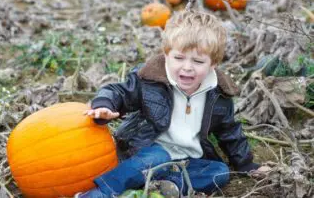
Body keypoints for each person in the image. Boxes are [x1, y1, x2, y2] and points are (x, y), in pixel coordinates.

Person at [75, 10, 269, 198]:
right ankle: (101, 193)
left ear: (213, 64)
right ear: (166, 55)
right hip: (149, 149)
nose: (187, 67)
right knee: (155, 159)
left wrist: (246, 165)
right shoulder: (149, 80)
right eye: (179, 58)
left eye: (198, 61)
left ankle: (169, 186)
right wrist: (105, 105)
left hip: (188, 160)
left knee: (219, 172)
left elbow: (229, 132)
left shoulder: (219, 93)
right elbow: (120, 91)